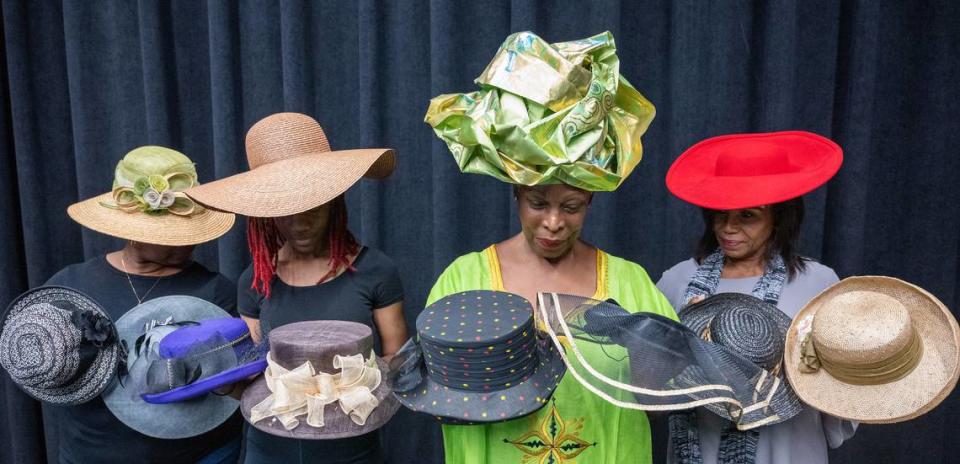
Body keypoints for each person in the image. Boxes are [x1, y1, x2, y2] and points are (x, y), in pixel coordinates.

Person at [423, 31, 677, 464]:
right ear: (516, 196)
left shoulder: (629, 282)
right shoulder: (465, 279)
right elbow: (437, 393)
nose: (554, 223)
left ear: (591, 200)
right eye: (539, 203)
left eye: (572, 207)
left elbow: (670, 379)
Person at [185, 112, 408, 464]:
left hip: (352, 450)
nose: (299, 222)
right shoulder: (255, 281)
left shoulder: (374, 270)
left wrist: (351, 391)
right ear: (265, 214)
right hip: (270, 449)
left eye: (311, 205)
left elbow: (398, 357)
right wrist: (224, 382)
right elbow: (253, 377)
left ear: (334, 200)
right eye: (284, 209)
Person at [656, 131, 856, 464]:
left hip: (788, 450)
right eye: (720, 213)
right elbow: (651, 386)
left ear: (780, 216)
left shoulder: (818, 285)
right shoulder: (677, 282)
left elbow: (841, 394)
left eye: (747, 215)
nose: (728, 228)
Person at [45, 145, 240, 463]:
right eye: (170, 233)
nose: (187, 242)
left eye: (189, 231)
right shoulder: (69, 287)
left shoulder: (217, 291)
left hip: (203, 455)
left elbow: (240, 389)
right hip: (92, 455)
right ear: (131, 231)